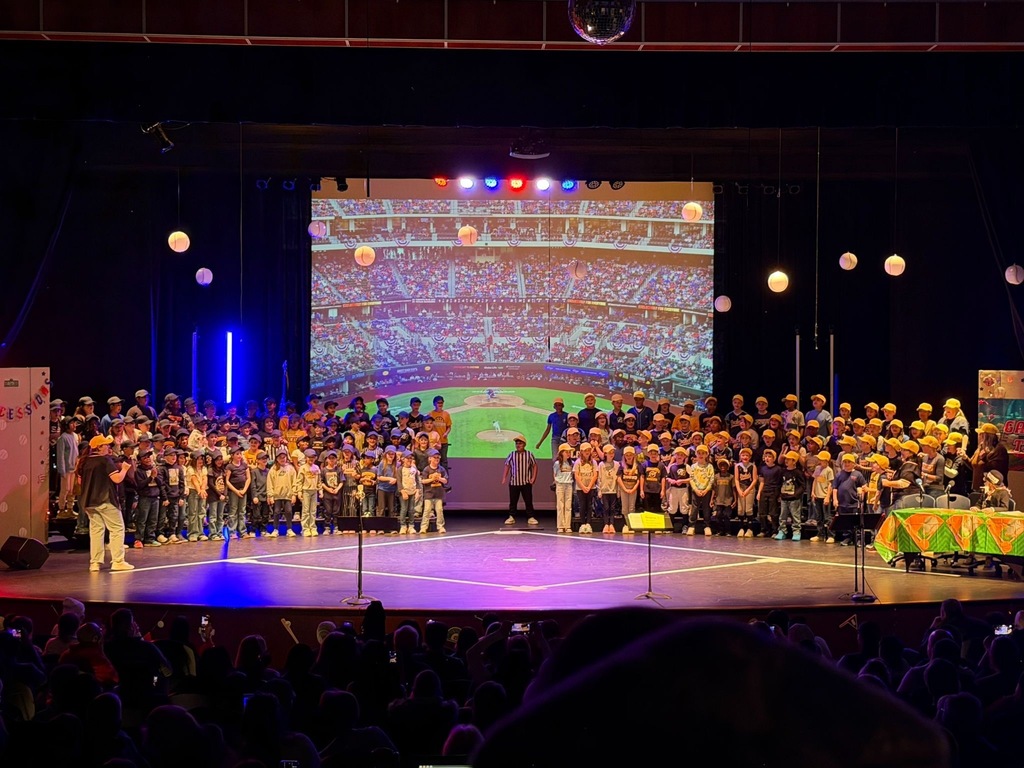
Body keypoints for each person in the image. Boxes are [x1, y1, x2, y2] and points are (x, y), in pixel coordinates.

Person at [78, 434, 133, 571]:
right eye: (106, 445)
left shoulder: (84, 462)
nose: (109, 447)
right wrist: (125, 469)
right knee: (117, 529)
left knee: (96, 531)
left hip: (89, 502)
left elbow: (80, 482)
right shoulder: (105, 461)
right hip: (105, 500)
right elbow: (117, 479)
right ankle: (118, 561)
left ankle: (95, 563)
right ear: (99, 447)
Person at [503, 436, 538, 526]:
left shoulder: (529, 454)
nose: (518, 445)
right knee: (513, 501)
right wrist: (504, 477)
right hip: (514, 482)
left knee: (528, 500)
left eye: (520, 443)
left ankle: (530, 517)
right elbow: (507, 465)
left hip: (526, 482)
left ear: (524, 444)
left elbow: (534, 466)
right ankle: (511, 516)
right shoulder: (512, 454)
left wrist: (533, 477)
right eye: (517, 443)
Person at [970, 422, 1009, 492]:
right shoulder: (981, 448)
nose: (978, 436)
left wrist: (984, 458)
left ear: (986, 436)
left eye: (981, 434)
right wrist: (964, 458)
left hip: (994, 488)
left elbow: (995, 470)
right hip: (979, 487)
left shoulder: (999, 449)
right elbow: (974, 467)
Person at [420, 448, 448, 534]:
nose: (436, 459)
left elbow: (446, 480)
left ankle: (440, 526)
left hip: (438, 494)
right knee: (427, 510)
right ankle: (424, 527)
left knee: (439, 510)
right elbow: (423, 481)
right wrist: (432, 479)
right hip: (429, 493)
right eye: (435, 457)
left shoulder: (441, 469)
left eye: (438, 457)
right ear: (430, 459)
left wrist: (439, 478)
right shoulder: (426, 469)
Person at [572, 442, 599, 533]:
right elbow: (576, 476)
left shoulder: (593, 462)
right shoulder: (578, 462)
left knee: (589, 505)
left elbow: (595, 475)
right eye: (585, 451)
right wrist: (583, 487)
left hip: (591, 487)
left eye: (588, 450)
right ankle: (582, 524)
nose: (587, 452)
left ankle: (588, 524)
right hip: (580, 488)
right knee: (582, 506)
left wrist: (590, 486)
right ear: (582, 452)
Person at [553, 443, 575, 534]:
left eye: (569, 452)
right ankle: (560, 526)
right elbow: (554, 475)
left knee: (568, 506)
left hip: (569, 485)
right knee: (560, 505)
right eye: (566, 452)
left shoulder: (571, 463)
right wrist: (557, 483)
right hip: (560, 485)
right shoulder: (557, 463)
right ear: (561, 453)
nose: (568, 454)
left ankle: (567, 525)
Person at [428, 396, 453, 468]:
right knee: (433, 461)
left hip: (443, 441)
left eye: (441, 403)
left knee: (444, 461)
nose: (440, 404)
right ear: (434, 403)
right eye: (438, 403)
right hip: (434, 442)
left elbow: (449, 427)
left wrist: (446, 433)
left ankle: (445, 477)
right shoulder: (430, 414)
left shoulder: (446, 414)